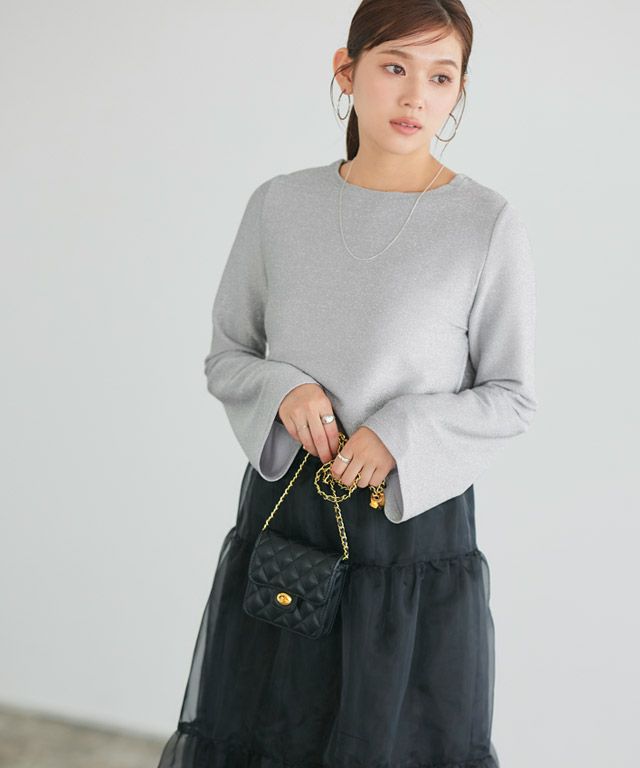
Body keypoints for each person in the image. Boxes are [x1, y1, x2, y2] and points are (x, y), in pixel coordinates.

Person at [157, 1, 537, 766]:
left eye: (441, 77)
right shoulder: (281, 203)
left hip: (410, 535)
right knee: (268, 739)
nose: (416, 96)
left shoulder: (484, 222)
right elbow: (229, 355)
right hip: (288, 521)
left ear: (460, 91)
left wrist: (400, 433)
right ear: (346, 70)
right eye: (395, 67)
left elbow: (511, 395)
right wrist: (285, 389)